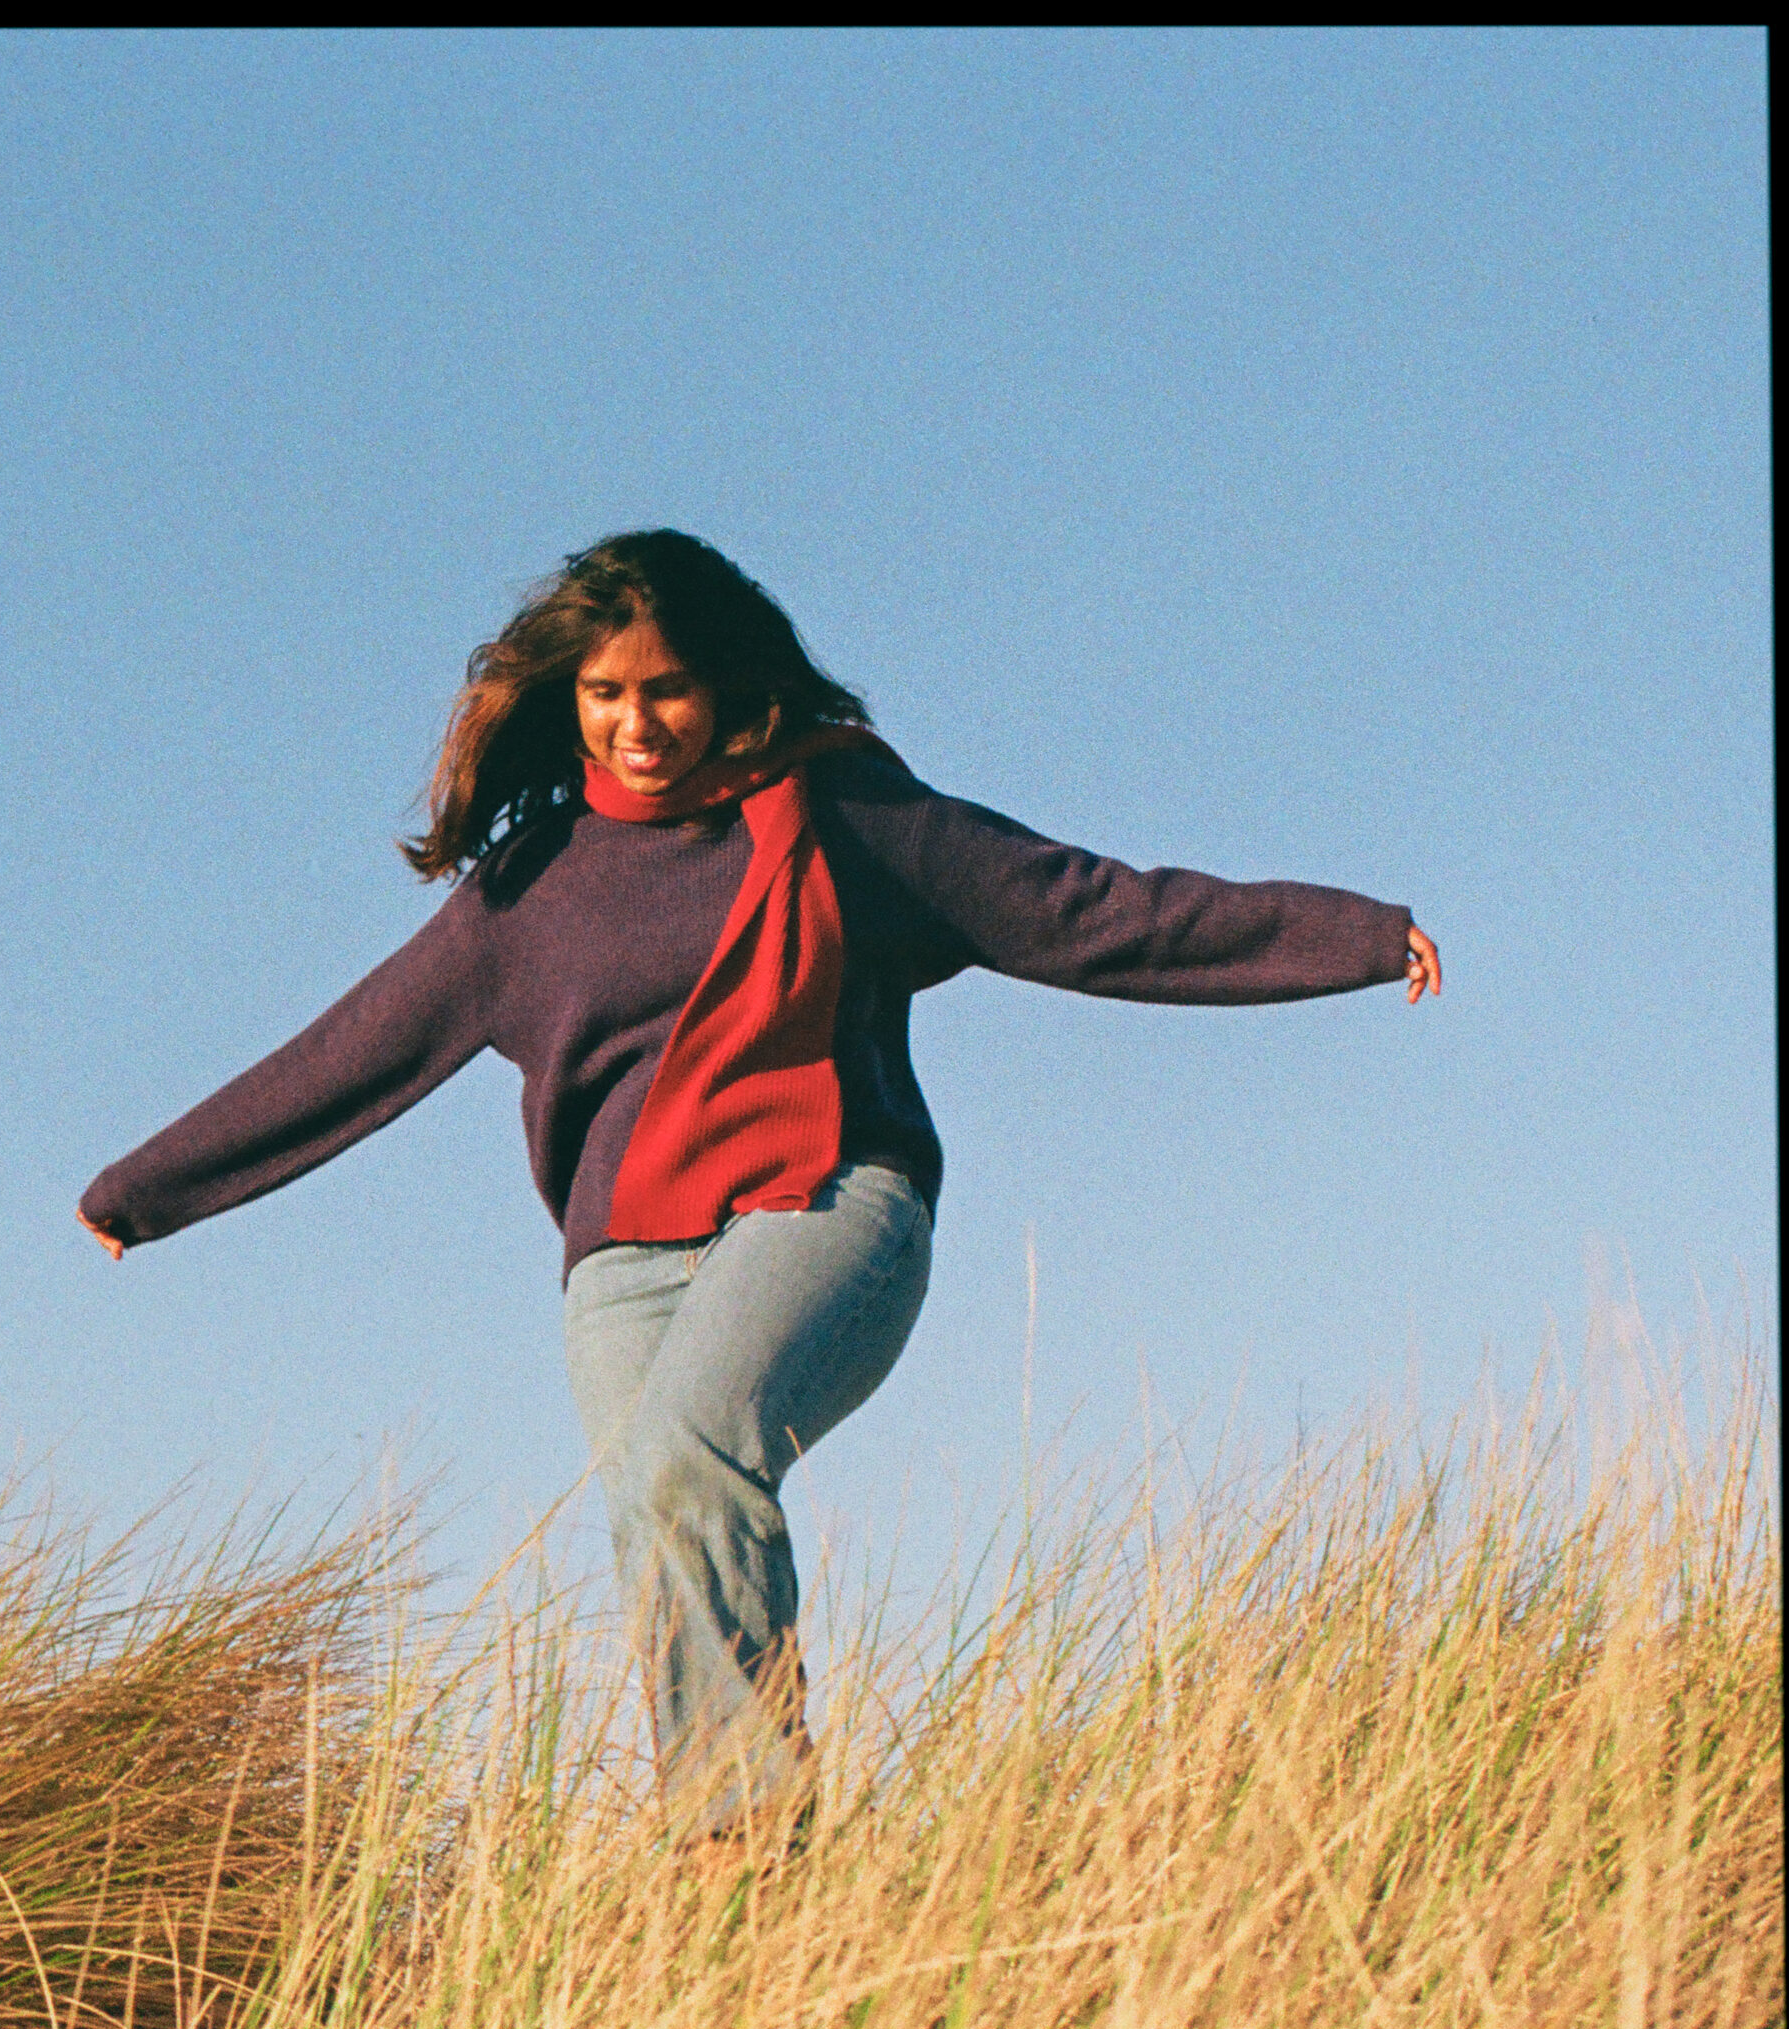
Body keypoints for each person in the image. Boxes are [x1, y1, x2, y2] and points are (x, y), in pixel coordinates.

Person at [78, 529, 1441, 1842]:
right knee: (666, 1516)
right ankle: (745, 1875)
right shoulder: (528, 889)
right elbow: (350, 1053)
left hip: (824, 1198)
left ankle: (739, 1837)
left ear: (724, 680)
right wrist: (147, 1189)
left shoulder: (839, 810)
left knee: (688, 1457)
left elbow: (1089, 909)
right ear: (568, 701)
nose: (637, 724)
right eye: (605, 695)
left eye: (666, 689)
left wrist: (1355, 937)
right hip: (623, 1261)